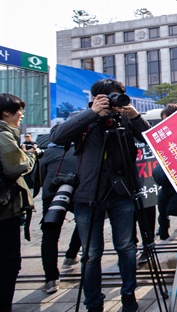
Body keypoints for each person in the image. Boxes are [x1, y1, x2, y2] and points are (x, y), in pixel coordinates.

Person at [50, 79, 151, 312]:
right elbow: (57, 137)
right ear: (97, 98)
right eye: (112, 96)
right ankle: (93, 302)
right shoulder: (83, 117)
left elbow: (152, 139)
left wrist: (135, 116)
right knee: (91, 253)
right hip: (89, 192)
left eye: (119, 95)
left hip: (122, 192)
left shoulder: (125, 118)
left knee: (126, 247)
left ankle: (128, 295)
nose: (117, 100)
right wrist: (91, 113)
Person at [0, 93, 36, 311]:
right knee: (8, 264)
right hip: (4, 211)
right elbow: (16, 167)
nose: (22, 114)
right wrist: (31, 157)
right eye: (19, 109)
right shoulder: (3, 134)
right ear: (6, 112)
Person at [39, 141, 82, 294]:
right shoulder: (80, 148)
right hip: (77, 190)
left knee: (50, 234)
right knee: (83, 222)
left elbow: (39, 177)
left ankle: (51, 279)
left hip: (51, 192)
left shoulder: (48, 152)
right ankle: (71, 255)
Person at [153, 104, 177, 240]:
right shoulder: (163, 137)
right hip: (167, 184)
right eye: (163, 120)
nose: (165, 123)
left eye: (168, 119)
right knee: (162, 208)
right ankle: (163, 230)